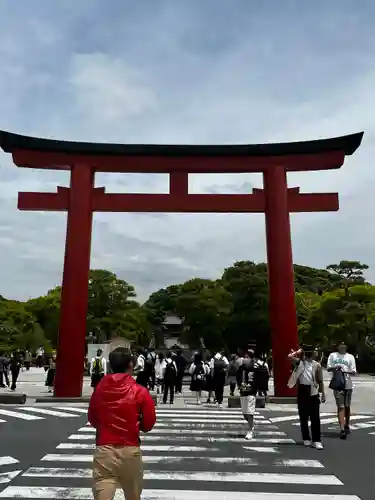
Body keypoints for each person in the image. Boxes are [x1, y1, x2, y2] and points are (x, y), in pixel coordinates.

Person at [88, 347, 156, 500]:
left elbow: (92, 419)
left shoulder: (99, 390)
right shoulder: (140, 391)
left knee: (102, 492)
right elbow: (149, 424)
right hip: (130, 448)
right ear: (131, 364)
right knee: (133, 494)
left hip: (104, 449)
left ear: (111, 366)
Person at [288, 346, 325, 449]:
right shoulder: (299, 362)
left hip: (313, 390)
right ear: (310, 353)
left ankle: (316, 440)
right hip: (302, 390)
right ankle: (306, 438)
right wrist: (298, 351)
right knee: (303, 416)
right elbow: (289, 357)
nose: (316, 353)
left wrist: (323, 394)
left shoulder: (316, 365)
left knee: (315, 417)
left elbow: (320, 380)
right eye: (315, 351)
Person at [327, 341, 356, 439]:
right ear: (338, 346)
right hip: (337, 384)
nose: (343, 347)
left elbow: (354, 371)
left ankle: (347, 423)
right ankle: (342, 429)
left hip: (347, 384)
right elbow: (328, 368)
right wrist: (335, 368)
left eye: (344, 345)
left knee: (347, 406)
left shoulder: (350, 357)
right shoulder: (333, 356)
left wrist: (345, 371)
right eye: (341, 345)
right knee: (341, 406)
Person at [237, 350, 259, 440]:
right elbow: (238, 376)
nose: (245, 359)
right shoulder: (241, 367)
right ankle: (252, 423)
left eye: (247, 357)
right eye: (245, 357)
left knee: (249, 412)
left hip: (251, 391)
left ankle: (250, 430)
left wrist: (258, 389)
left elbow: (259, 379)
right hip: (243, 391)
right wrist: (239, 385)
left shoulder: (255, 367)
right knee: (245, 414)